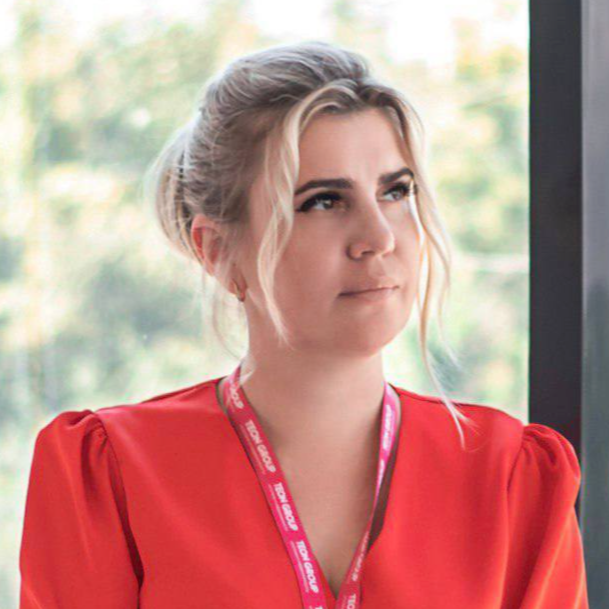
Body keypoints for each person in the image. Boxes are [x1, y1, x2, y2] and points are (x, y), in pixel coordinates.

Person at [19, 40, 588, 608]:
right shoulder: (110, 475)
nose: (379, 237)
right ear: (217, 251)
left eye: (395, 191)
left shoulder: (512, 478)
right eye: (322, 201)